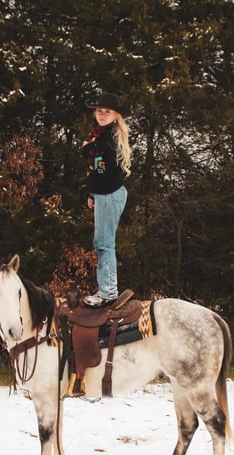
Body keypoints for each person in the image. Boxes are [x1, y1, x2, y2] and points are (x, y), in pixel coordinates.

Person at [80, 92, 132, 307]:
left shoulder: (106, 139)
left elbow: (106, 170)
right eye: (99, 111)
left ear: (115, 115)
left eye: (107, 112)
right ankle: (106, 289)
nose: (102, 115)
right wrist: (91, 192)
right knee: (102, 243)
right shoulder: (101, 135)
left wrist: (89, 148)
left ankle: (108, 293)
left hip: (109, 194)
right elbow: (97, 171)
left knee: (104, 244)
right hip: (104, 193)